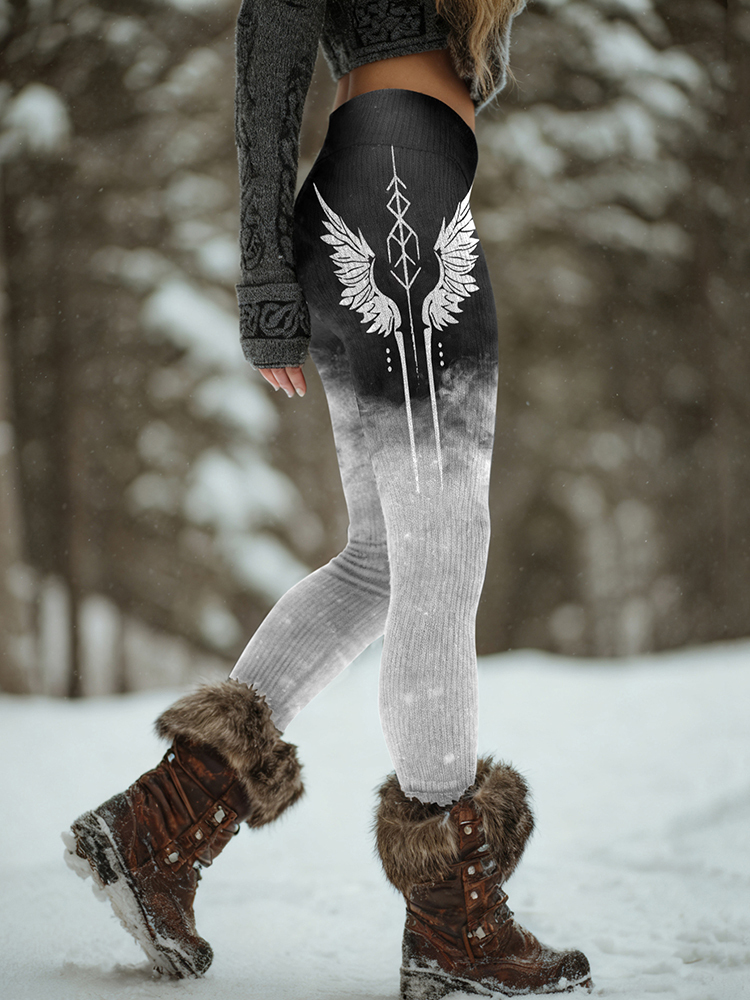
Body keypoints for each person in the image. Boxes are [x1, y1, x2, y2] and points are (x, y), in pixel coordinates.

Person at [63, 2, 593, 995]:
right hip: (397, 197)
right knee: (438, 556)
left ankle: (160, 824)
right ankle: (451, 925)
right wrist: (262, 272)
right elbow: (270, 34)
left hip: (406, 188)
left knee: (385, 563)